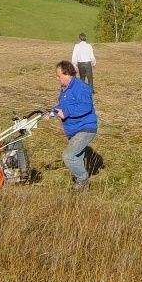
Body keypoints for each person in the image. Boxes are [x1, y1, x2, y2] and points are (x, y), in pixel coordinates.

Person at [48, 60, 98, 192]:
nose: (57, 78)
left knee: (68, 156)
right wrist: (50, 113)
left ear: (67, 74)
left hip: (85, 128)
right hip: (73, 129)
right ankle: (81, 189)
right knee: (77, 157)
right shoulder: (65, 90)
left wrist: (67, 112)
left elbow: (86, 106)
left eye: (59, 75)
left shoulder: (81, 87)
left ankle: (82, 180)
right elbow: (62, 107)